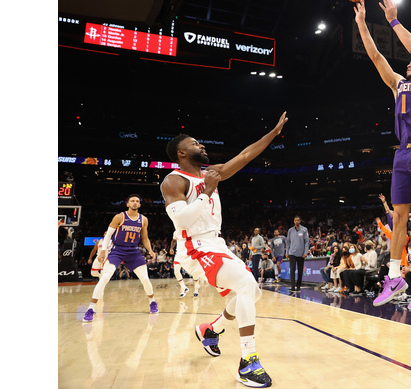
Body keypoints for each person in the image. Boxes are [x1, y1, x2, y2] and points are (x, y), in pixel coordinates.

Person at [160, 112, 287, 388]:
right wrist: (207, 191)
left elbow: (243, 157)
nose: (202, 146)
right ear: (182, 153)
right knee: (245, 284)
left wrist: (273, 134)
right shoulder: (173, 180)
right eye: (195, 144)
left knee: (252, 292)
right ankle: (248, 361)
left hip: (215, 243)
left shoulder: (209, 173)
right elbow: (181, 221)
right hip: (194, 246)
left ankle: (211, 330)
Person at [355, 0, 411, 312]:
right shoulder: (398, 85)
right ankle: (394, 277)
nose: (408, 63)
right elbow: (377, 57)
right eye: (407, 63)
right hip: (402, 155)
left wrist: (393, 19)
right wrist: (362, 24)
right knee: (400, 218)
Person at [83, 194, 158, 323]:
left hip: (133, 251)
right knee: (105, 277)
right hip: (117, 250)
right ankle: (90, 308)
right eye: (132, 201)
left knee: (145, 278)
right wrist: (102, 251)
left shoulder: (143, 220)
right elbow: (108, 236)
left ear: (140, 205)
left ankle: (152, 302)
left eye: (137, 201)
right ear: (127, 204)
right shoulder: (119, 217)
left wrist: (150, 250)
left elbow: (145, 238)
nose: (134, 203)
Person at [286, 216, 309, 293]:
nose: (296, 221)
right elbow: (288, 242)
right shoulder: (290, 230)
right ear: (293, 221)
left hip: (301, 253)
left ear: (300, 221)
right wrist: (287, 253)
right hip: (292, 252)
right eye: (295, 220)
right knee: (292, 270)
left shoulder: (304, 230)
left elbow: (307, 242)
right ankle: (292, 287)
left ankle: (298, 287)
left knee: (300, 271)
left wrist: (306, 252)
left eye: (298, 220)